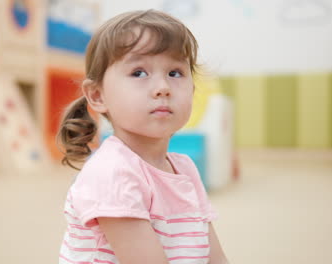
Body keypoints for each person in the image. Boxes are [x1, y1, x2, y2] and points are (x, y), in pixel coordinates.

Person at [57, 9, 229, 264]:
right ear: (97, 95)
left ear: (192, 90)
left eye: (175, 73)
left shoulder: (185, 169)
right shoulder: (112, 172)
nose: (163, 88)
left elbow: (213, 256)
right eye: (139, 73)